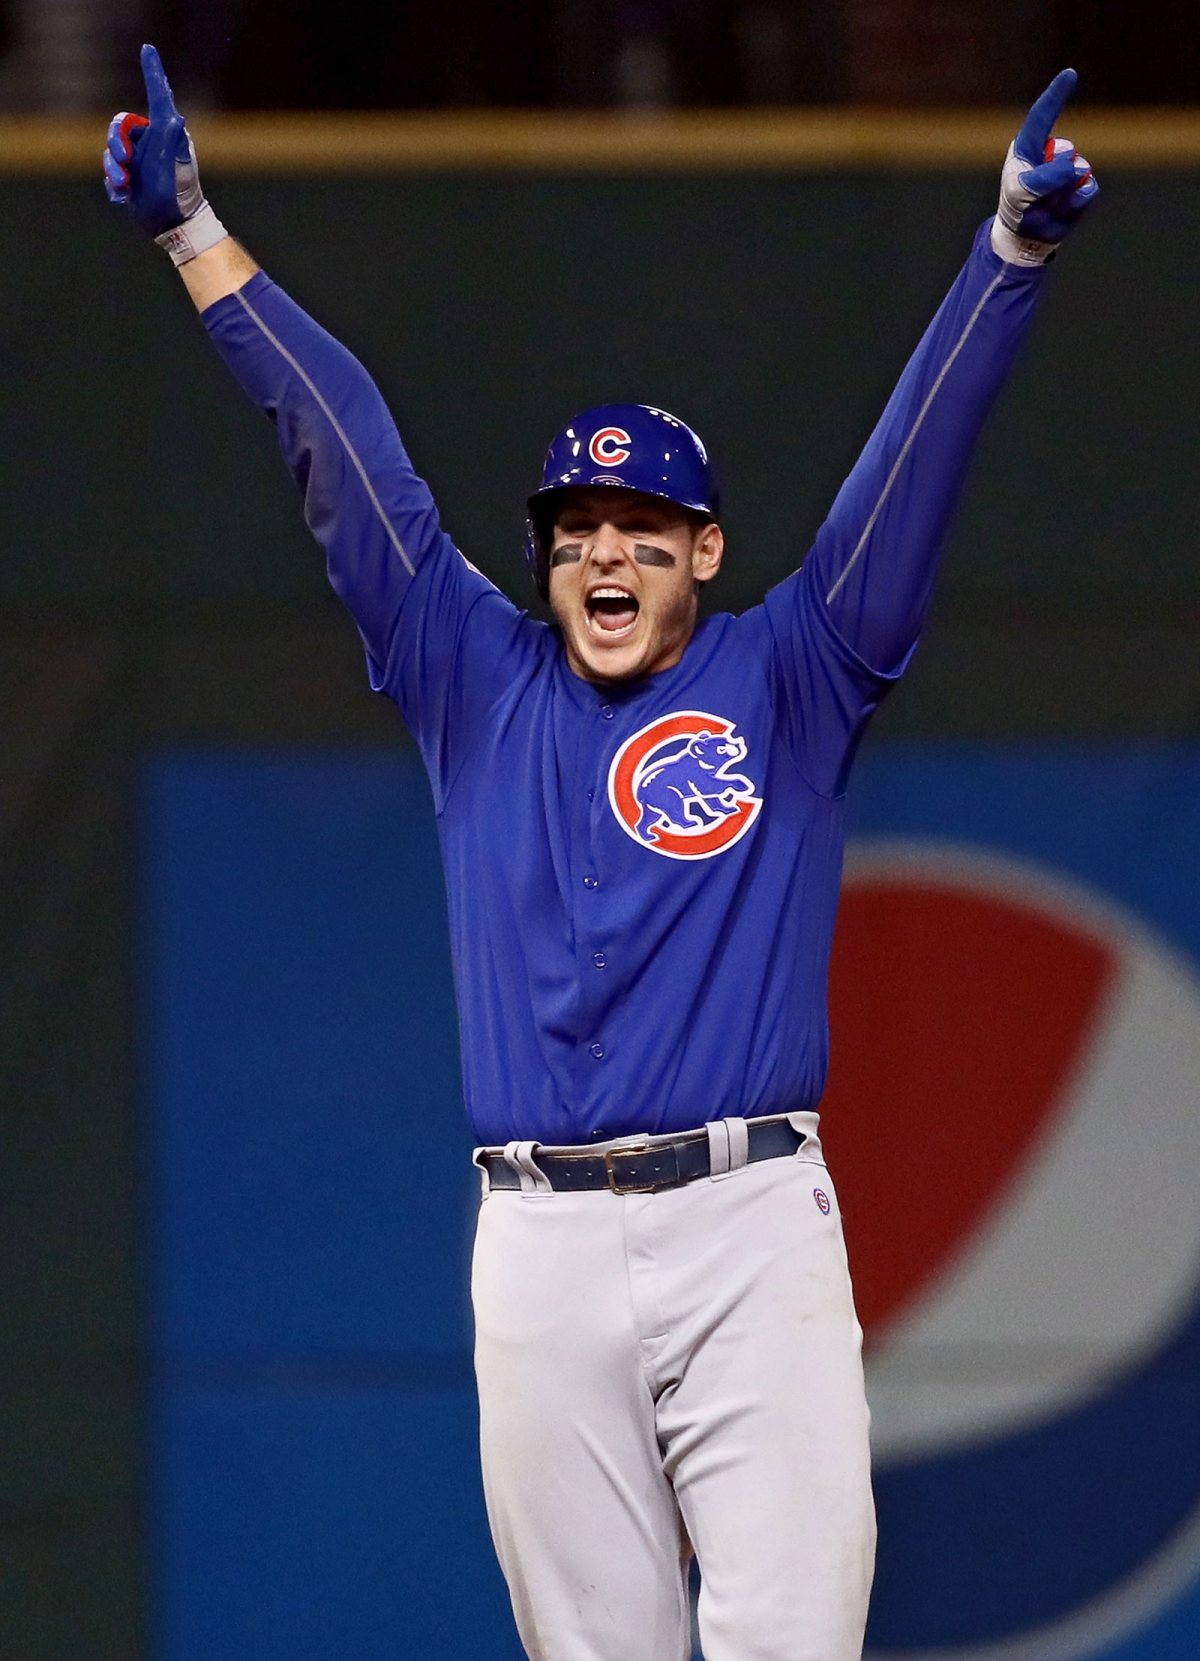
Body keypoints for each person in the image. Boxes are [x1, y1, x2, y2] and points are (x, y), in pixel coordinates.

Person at [105, 46, 1097, 1661]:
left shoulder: (795, 672)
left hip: (749, 1221)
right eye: (578, 527)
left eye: (645, 529)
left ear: (707, 551)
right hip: (541, 1244)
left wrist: (1011, 256)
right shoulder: (472, 676)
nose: (609, 550)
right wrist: (194, 235)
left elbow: (911, 474)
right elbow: (345, 454)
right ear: (547, 557)